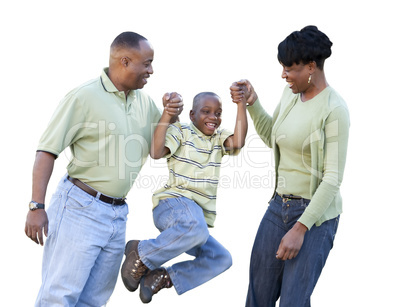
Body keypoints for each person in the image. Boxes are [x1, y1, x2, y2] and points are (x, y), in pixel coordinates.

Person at [24, 31, 183, 306]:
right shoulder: (83, 97)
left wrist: (171, 113)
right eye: (146, 63)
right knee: (59, 297)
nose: (151, 70)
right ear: (124, 61)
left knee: (94, 301)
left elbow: (159, 148)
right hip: (79, 208)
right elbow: (46, 151)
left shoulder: (143, 102)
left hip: (117, 215)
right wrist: (36, 206)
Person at [230, 25, 350, 307]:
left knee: (293, 302)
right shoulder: (291, 94)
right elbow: (275, 137)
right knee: (258, 298)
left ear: (311, 67)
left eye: (289, 69)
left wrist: (301, 228)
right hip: (277, 207)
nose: (284, 75)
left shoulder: (335, 109)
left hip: (315, 218)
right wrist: (252, 103)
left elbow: (332, 179)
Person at [121, 91, 248, 303]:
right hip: (172, 205)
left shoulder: (218, 139)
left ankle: (163, 276)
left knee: (221, 258)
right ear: (191, 114)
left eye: (218, 113)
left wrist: (241, 104)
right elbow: (155, 151)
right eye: (206, 112)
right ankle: (141, 253)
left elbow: (238, 142)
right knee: (197, 227)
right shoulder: (182, 132)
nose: (213, 117)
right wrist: (167, 114)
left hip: (193, 224)